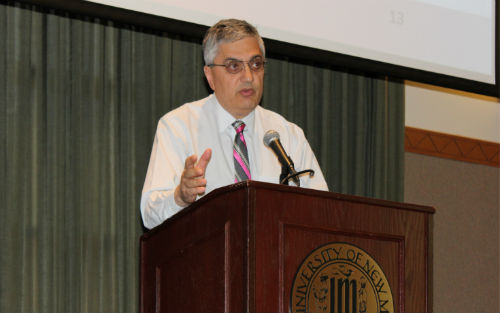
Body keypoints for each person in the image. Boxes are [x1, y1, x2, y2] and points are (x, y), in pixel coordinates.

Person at [140, 18, 328, 229]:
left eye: (256, 64)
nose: (248, 77)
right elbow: (149, 215)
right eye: (234, 66)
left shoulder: (288, 135)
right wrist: (180, 196)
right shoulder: (178, 127)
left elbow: (323, 214)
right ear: (210, 76)